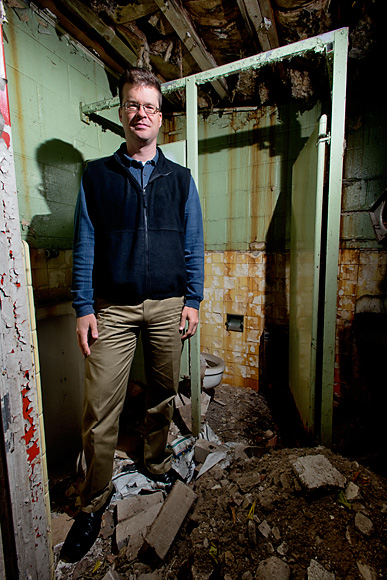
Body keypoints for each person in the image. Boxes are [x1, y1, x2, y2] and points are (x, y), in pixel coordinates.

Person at [60, 67, 204, 563]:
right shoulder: (97, 176)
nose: (141, 113)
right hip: (113, 309)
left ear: (162, 119)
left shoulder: (180, 179)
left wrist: (193, 299)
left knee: (164, 391)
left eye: (150, 106)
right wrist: (83, 307)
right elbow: (84, 244)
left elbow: (192, 244)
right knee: (100, 408)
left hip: (168, 304)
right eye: (132, 105)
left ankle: (158, 459)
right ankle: (92, 501)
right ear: (122, 113)